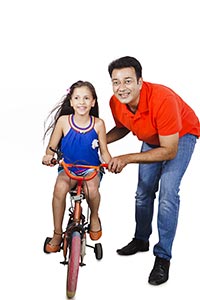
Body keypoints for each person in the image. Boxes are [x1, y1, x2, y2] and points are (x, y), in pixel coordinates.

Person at [106, 56, 200, 285]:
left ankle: (162, 258)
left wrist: (127, 158)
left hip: (180, 136)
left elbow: (168, 150)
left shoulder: (162, 99)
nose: (121, 88)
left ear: (140, 82)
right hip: (153, 135)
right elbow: (123, 126)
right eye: (116, 82)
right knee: (143, 192)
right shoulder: (116, 102)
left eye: (127, 81)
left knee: (168, 194)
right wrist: (100, 141)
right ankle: (141, 240)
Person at [42, 80, 112, 253]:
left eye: (86, 98)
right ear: (71, 102)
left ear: (93, 102)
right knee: (59, 188)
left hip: (92, 169)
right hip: (68, 168)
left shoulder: (98, 124)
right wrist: (49, 156)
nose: (82, 102)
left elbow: (104, 151)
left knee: (91, 190)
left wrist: (110, 162)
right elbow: (51, 147)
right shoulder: (64, 122)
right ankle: (57, 233)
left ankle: (94, 217)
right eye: (77, 98)